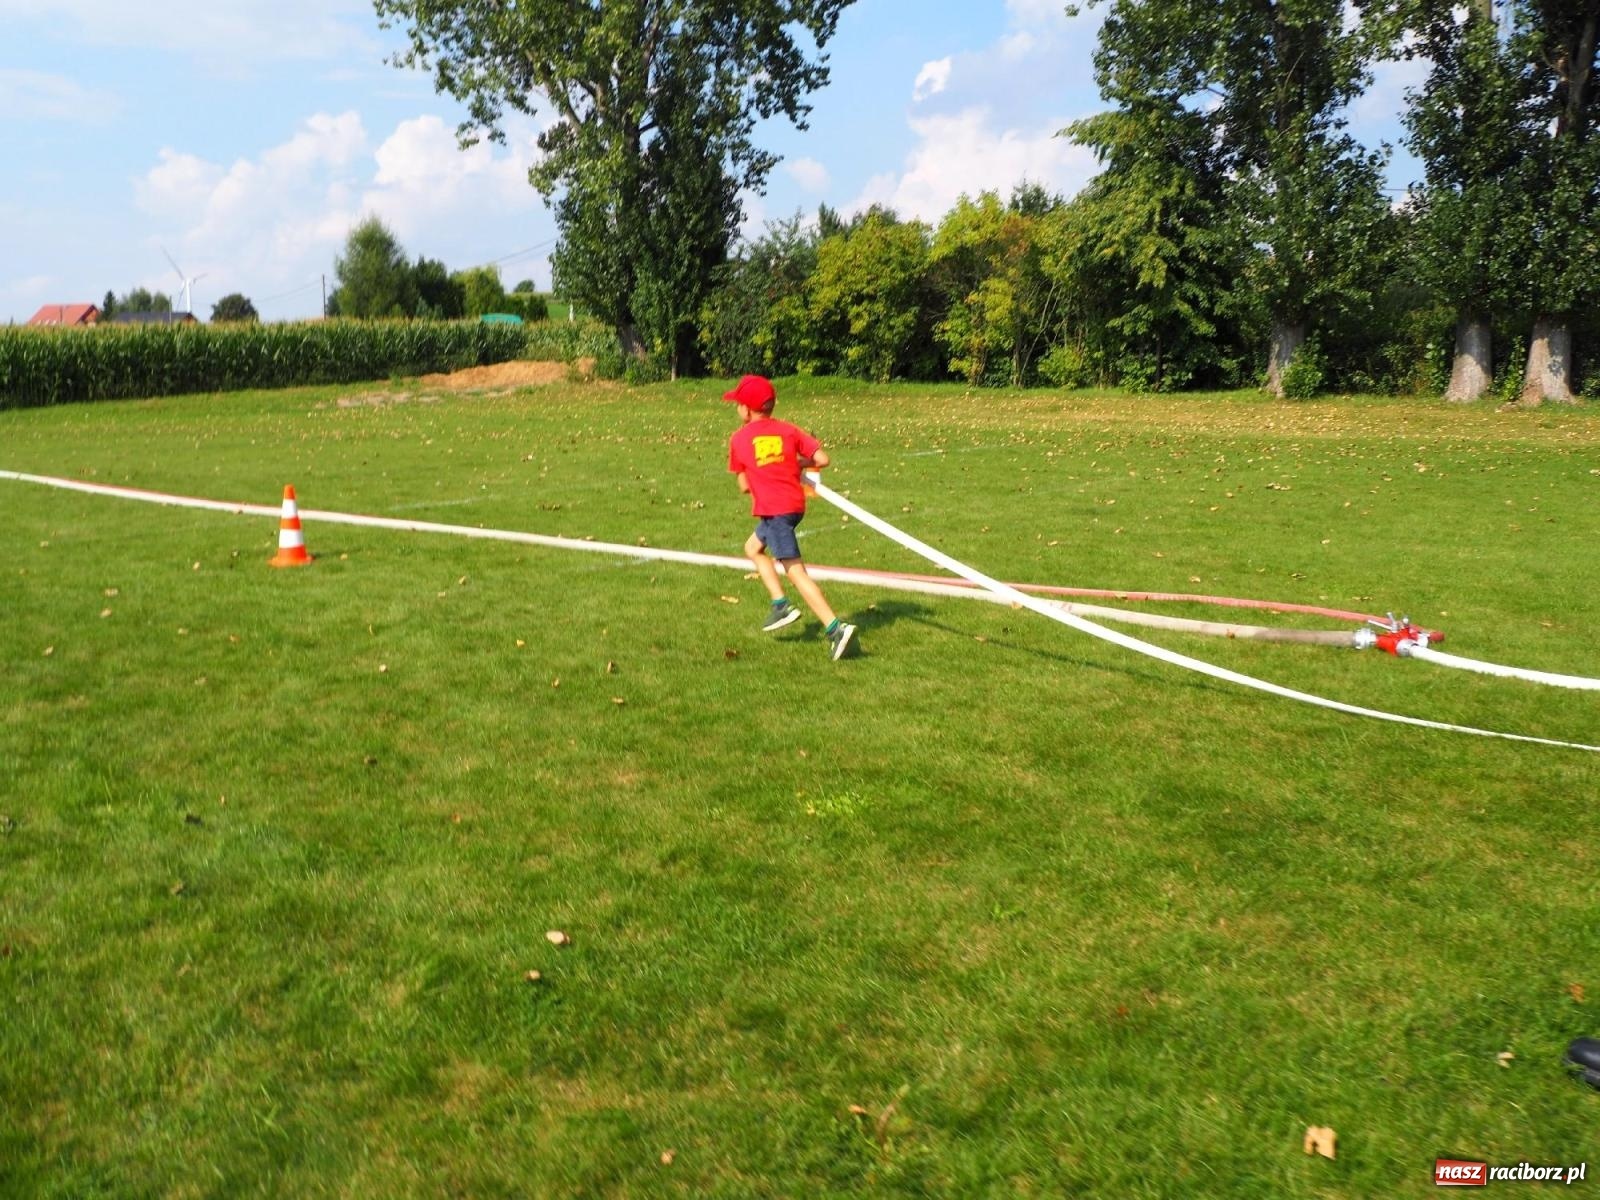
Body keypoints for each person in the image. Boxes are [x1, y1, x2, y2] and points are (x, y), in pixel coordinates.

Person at [723, 374, 858, 661]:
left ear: (746, 410)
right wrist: (796, 462)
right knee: (753, 548)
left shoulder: (739, 439)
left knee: (795, 571)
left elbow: (744, 485)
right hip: (794, 507)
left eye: (737, 404)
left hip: (774, 511)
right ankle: (779, 604)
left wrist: (757, 476)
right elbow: (822, 460)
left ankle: (835, 628)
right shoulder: (788, 430)